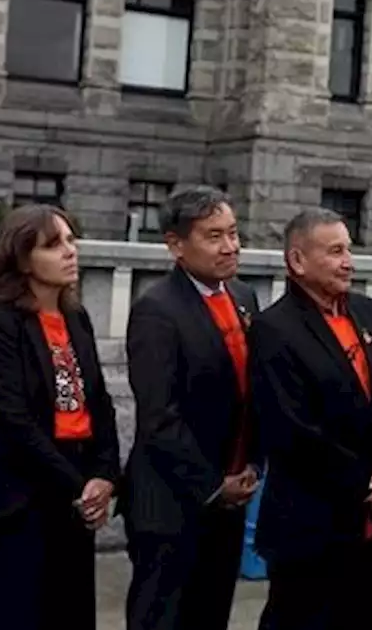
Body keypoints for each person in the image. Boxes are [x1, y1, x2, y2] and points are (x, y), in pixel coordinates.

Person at [0, 205, 120, 630]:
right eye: (53, 244)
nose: (70, 251)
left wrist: (104, 475)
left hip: (75, 491)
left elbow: (98, 402)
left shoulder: (76, 318)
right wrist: (80, 486)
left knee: (69, 610)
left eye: (70, 240)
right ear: (23, 259)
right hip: (21, 495)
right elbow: (12, 421)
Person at [250, 209, 372, 630]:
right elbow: (292, 431)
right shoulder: (274, 329)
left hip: (371, 522)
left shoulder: (369, 313)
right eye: (335, 251)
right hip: (309, 523)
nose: (348, 261)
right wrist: (366, 482)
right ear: (297, 261)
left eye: (349, 249)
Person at [121, 187, 262, 630]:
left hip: (231, 494)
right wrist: (213, 484)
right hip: (173, 501)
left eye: (234, 233)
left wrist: (252, 466)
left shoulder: (243, 296)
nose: (230, 246)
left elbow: (254, 392)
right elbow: (159, 416)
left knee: (211, 613)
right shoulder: (157, 311)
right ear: (176, 245)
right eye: (214, 236)